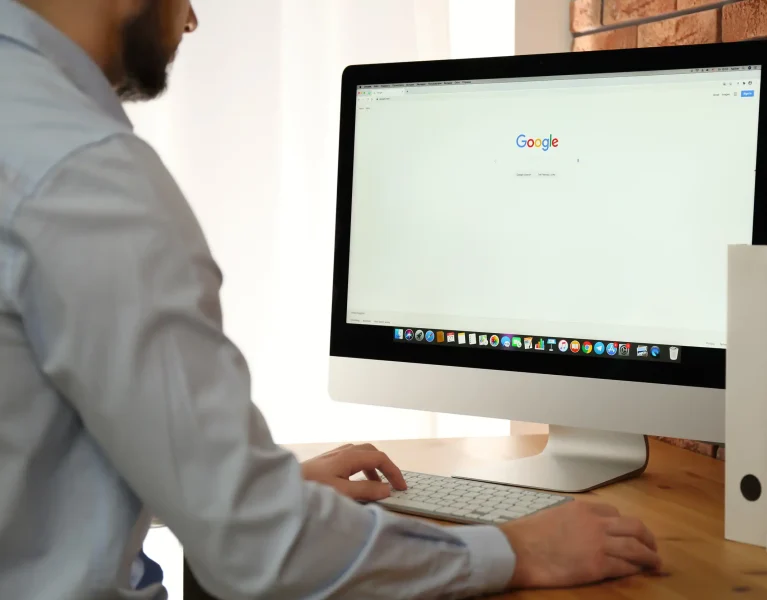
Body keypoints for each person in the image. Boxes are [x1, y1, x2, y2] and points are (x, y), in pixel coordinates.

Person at [0, 0, 662, 598]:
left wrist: (254, 497)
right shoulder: (85, 172)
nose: (191, 20)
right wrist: (515, 552)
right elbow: (258, 553)